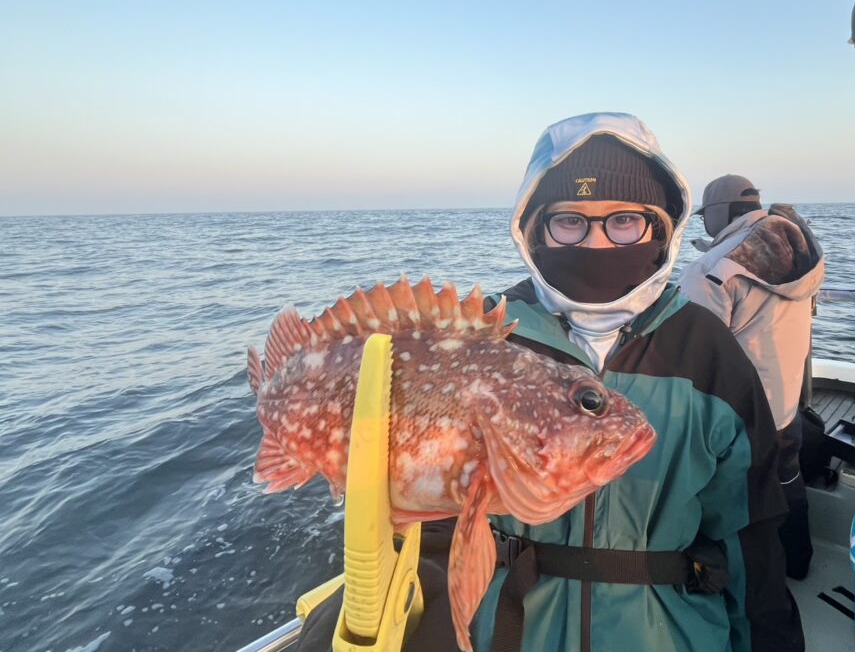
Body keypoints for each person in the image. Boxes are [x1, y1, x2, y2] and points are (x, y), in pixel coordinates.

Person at [295, 113, 804, 652]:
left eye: (624, 221)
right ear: (534, 229)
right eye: (569, 221)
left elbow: (751, 539)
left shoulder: (708, 349)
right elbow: (432, 528)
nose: (597, 243)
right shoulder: (486, 335)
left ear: (660, 228)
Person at [677, 175, 825, 581]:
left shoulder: (712, 269)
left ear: (719, 213)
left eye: (705, 216)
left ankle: (751, 583)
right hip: (787, 404)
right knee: (788, 478)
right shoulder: (798, 250)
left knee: (737, 501)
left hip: (741, 416)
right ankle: (798, 563)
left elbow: (693, 353)